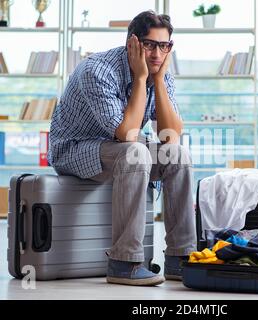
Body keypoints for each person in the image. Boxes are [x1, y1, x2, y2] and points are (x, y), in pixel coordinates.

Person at [48, 10, 197, 286]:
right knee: (135, 152)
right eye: (150, 44)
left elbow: (171, 135)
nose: (156, 54)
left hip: (119, 148)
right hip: (74, 149)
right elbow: (128, 134)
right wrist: (141, 79)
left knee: (179, 155)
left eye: (164, 46)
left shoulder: (159, 70)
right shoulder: (97, 71)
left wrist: (159, 82)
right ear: (132, 43)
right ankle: (124, 262)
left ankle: (180, 258)